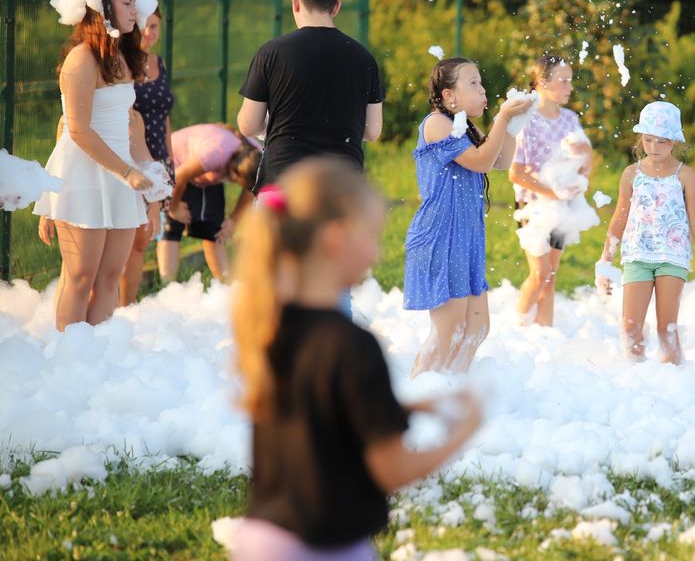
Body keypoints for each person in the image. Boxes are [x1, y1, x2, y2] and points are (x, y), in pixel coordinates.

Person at [230, 157, 482, 561]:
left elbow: (317, 412)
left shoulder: (272, 326)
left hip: (262, 539)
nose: (377, 251)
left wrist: (403, 407)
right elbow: (392, 470)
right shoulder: (351, 345)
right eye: (371, 235)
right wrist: (465, 431)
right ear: (334, 238)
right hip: (324, 545)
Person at [33, 0, 157, 330]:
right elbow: (76, 130)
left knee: (109, 278)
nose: (135, 9)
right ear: (103, 9)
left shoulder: (123, 57)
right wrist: (127, 173)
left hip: (119, 174)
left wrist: (145, 174)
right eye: (126, 3)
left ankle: (97, 361)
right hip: (84, 174)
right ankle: (67, 361)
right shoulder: (81, 59)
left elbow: (129, 122)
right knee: (80, 276)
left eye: (134, 2)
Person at [403, 57, 532, 376]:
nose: (483, 89)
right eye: (472, 83)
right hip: (439, 236)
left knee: (475, 329)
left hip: (465, 238)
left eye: (481, 82)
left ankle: (449, 390)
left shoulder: (465, 126)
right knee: (448, 332)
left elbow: (500, 159)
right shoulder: (437, 123)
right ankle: (419, 396)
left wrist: (512, 127)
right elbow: (480, 161)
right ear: (449, 96)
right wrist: (501, 119)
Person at [236, 0, 384, 191]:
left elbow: (248, 125)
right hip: (343, 184)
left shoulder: (272, 53)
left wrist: (278, 128)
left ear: (295, 2)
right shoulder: (364, 58)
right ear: (336, 7)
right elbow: (372, 130)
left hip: (284, 181)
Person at [595, 101, 695, 364]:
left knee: (666, 329)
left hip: (672, 256)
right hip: (637, 254)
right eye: (648, 140)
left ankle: (675, 382)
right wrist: (606, 260)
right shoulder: (631, 174)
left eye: (661, 141)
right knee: (629, 327)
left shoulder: (685, 175)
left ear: (673, 141)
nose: (654, 147)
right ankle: (637, 379)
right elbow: (619, 218)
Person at [508, 54, 592, 326]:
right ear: (542, 82)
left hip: (562, 206)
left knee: (551, 273)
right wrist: (553, 194)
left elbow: (585, 166)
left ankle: (545, 333)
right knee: (540, 272)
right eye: (563, 81)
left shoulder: (570, 119)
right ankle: (519, 325)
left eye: (570, 81)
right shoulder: (526, 121)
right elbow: (516, 173)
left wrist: (586, 155)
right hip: (533, 206)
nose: (569, 87)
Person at [119, 9, 174, 306]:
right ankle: (110, 306)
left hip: (158, 157)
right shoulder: (122, 64)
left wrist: (169, 160)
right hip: (130, 158)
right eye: (143, 26)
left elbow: (165, 116)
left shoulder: (159, 63)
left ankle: (128, 306)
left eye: (154, 26)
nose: (149, 32)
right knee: (122, 237)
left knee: (143, 238)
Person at [160, 123, 261, 283]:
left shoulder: (257, 156)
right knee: (172, 227)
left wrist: (234, 221)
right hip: (176, 164)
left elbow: (252, 188)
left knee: (214, 229)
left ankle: (225, 285)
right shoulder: (217, 154)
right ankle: (167, 285)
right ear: (233, 172)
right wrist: (174, 207)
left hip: (205, 173)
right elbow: (179, 176)